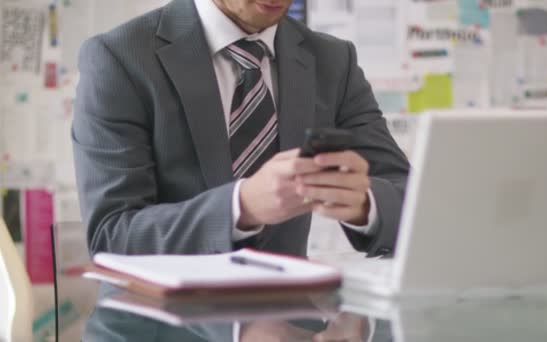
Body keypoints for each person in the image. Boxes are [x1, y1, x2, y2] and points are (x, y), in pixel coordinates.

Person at [72, 0, 409, 258]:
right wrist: (242, 206)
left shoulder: (333, 60)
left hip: (291, 322)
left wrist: (365, 204)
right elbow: (111, 236)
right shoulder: (119, 59)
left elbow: (410, 198)